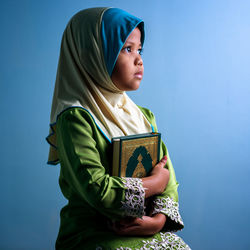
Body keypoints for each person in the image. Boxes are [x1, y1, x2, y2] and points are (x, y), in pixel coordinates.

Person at [46, 7, 190, 249]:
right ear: (93, 54)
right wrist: (153, 185)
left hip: (145, 227)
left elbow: (169, 178)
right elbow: (97, 189)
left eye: (139, 49)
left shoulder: (143, 117)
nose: (139, 59)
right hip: (94, 232)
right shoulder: (76, 120)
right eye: (127, 49)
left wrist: (157, 221)